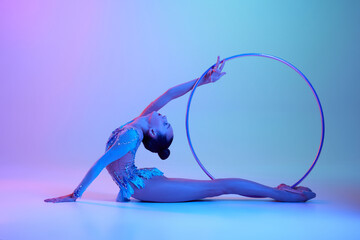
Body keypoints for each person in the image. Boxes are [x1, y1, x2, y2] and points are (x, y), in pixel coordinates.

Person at [44, 56, 316, 203]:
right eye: (166, 121)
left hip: (144, 187)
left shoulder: (133, 131)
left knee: (218, 187)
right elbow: (169, 94)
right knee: (217, 188)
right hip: (143, 188)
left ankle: (281, 194)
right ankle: (281, 193)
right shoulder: (135, 126)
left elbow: (103, 163)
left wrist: (205, 81)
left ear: (153, 133)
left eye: (165, 123)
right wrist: (203, 79)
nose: (163, 115)